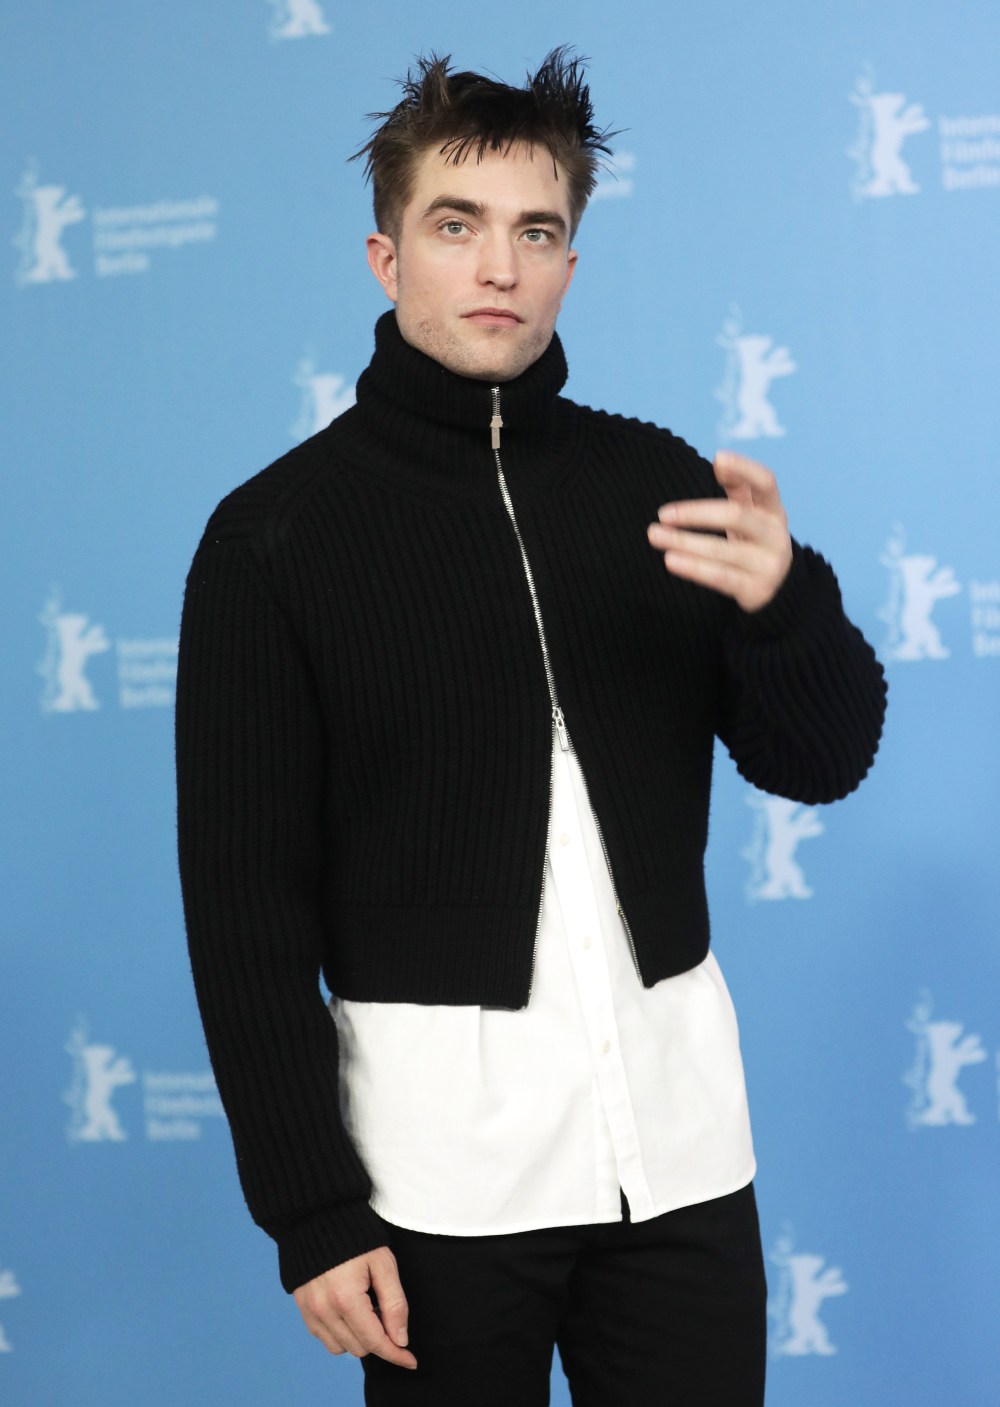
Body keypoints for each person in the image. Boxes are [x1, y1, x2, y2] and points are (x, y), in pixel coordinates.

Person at [175, 48, 887, 1406]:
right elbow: (243, 913)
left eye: (537, 231)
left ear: (570, 262)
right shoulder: (273, 540)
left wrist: (787, 607)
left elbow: (824, 761)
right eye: (458, 225)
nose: (499, 266)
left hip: (680, 1158)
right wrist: (310, 1211)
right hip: (437, 1185)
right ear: (387, 257)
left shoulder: (658, 482)